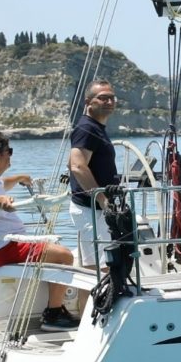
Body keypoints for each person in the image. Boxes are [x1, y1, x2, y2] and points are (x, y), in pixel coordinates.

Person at [0, 130, 79, 332]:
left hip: (2, 246)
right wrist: (0, 200)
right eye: (9, 151)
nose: (11, 155)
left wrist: (19, 177)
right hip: (5, 248)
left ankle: (55, 309)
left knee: (55, 251)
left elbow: (2, 184)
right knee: (65, 256)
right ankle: (54, 315)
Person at [68, 79, 118, 268]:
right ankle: (102, 296)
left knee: (95, 265)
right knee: (102, 266)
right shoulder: (87, 128)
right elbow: (78, 167)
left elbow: (72, 161)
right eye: (103, 98)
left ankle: (90, 297)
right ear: (88, 102)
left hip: (93, 209)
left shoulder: (93, 128)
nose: (109, 102)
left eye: (112, 98)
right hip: (92, 210)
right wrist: (103, 200)